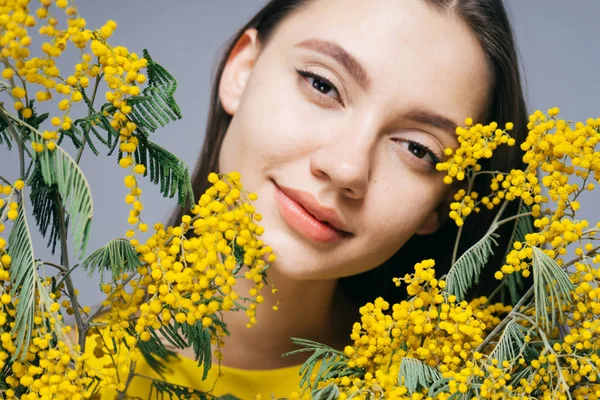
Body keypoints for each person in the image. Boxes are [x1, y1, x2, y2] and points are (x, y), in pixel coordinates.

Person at [94, 0, 528, 398]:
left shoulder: (462, 386)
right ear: (242, 70)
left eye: (418, 149)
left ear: (445, 202)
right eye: (322, 84)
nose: (346, 168)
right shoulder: (58, 369)